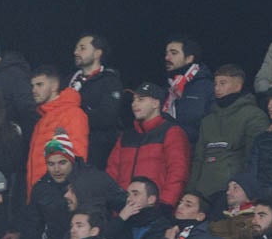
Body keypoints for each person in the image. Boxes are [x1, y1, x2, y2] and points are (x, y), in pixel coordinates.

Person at [15, 138, 124, 239]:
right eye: (51, 164)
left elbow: (121, 201)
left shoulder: (94, 179)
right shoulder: (42, 188)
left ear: (71, 161)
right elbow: (32, 229)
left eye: (62, 162)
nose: (56, 169)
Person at [187, 64, 268, 200]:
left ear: (238, 86)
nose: (217, 88)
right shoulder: (207, 120)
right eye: (216, 84)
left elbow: (253, 160)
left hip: (231, 193)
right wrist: (190, 191)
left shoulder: (254, 116)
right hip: (203, 194)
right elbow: (198, 159)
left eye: (223, 83)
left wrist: (244, 191)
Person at [106, 81, 189, 206]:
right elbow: (111, 173)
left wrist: (165, 204)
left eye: (141, 99)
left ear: (156, 104)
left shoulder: (171, 132)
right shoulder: (126, 136)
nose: (134, 104)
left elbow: (177, 173)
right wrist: (113, 204)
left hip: (153, 210)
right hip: (122, 211)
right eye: (133, 100)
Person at [26, 65, 90, 191]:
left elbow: (78, 158)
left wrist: (67, 193)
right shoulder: (42, 120)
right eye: (32, 86)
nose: (34, 90)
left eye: (39, 85)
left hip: (59, 194)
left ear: (54, 86)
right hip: (39, 194)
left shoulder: (72, 113)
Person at [69, 33, 127, 169]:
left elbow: (107, 117)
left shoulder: (110, 81)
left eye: (82, 48)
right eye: (76, 48)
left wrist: (75, 117)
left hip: (95, 154)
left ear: (97, 53)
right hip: (66, 149)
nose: (76, 52)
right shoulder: (68, 80)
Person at [161, 36, 215, 143]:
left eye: (174, 53)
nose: (167, 58)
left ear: (189, 58)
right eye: (166, 53)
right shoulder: (168, 87)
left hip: (195, 154)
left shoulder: (207, 87)